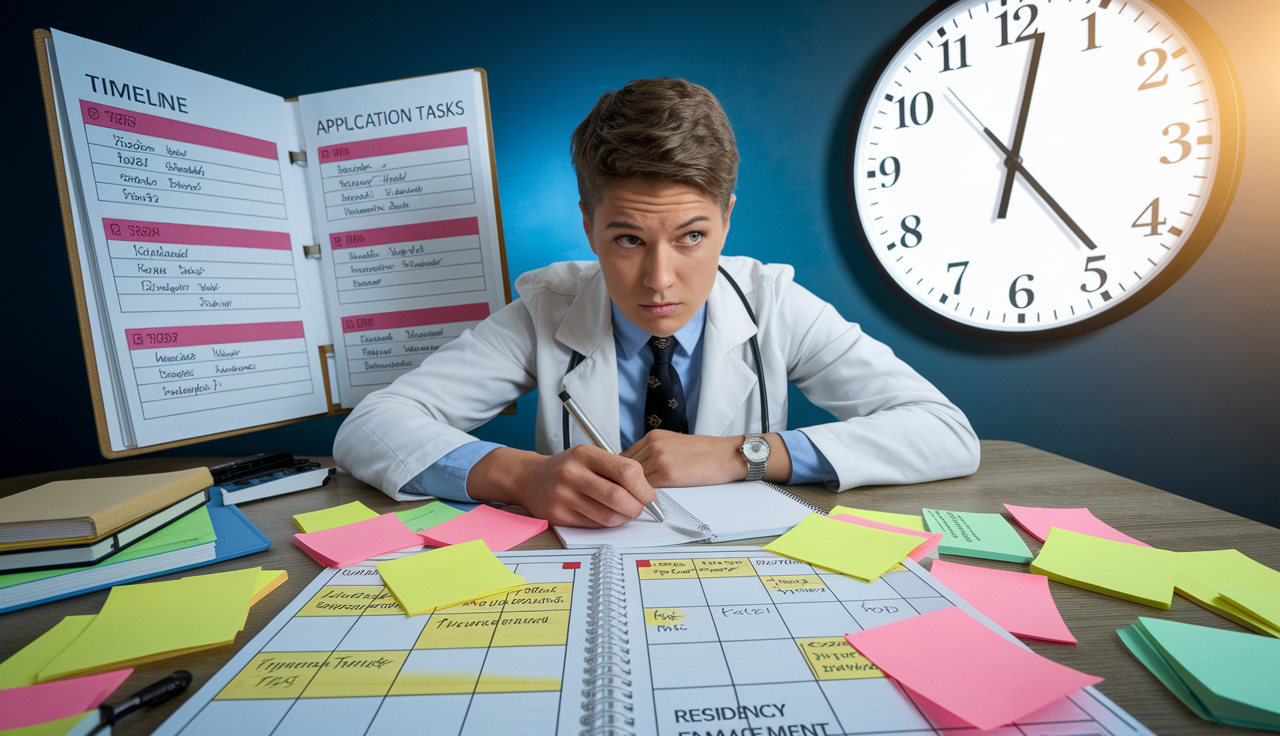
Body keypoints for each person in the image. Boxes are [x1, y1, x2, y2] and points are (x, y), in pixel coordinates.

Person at [334, 78, 979, 527]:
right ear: (588, 225)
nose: (659, 279)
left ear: (727, 220)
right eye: (628, 239)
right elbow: (371, 427)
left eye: (692, 237)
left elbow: (945, 433)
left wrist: (744, 453)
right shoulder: (548, 307)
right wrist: (521, 477)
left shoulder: (775, 303)